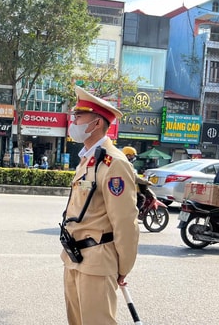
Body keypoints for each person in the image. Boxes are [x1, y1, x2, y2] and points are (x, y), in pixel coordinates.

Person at [60, 86, 139, 325]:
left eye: (79, 116)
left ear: (95, 123)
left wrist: (123, 267)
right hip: (73, 257)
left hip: (97, 262)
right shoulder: (88, 159)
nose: (73, 121)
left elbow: (125, 221)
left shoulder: (113, 163)